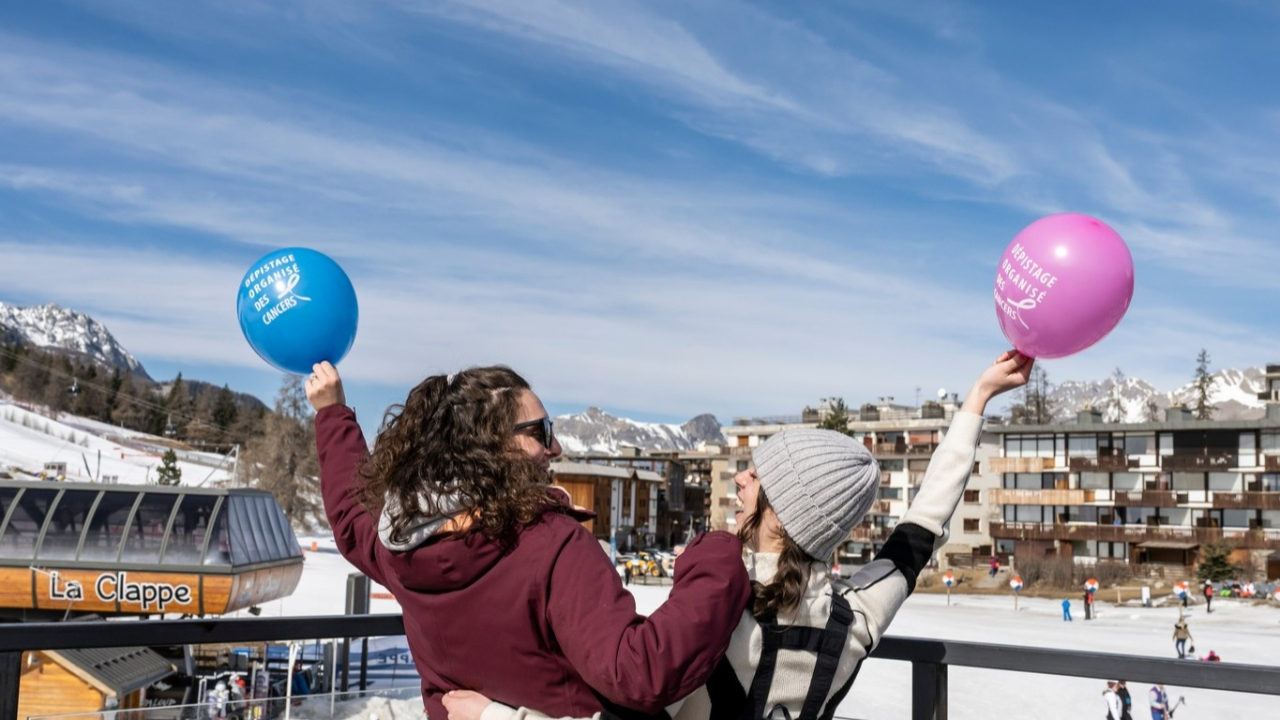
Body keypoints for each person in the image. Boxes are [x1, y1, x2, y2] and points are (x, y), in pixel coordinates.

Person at [442, 351, 1033, 720]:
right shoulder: (857, 615)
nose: (742, 476)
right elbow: (922, 526)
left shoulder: (717, 613)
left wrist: (494, 715)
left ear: (782, 512)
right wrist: (975, 403)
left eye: (759, 475)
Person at [306, 362, 752, 720]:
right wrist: (718, 558)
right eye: (541, 431)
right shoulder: (550, 547)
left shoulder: (402, 541)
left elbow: (350, 517)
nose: (555, 448)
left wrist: (331, 413)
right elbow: (638, 672)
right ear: (492, 446)